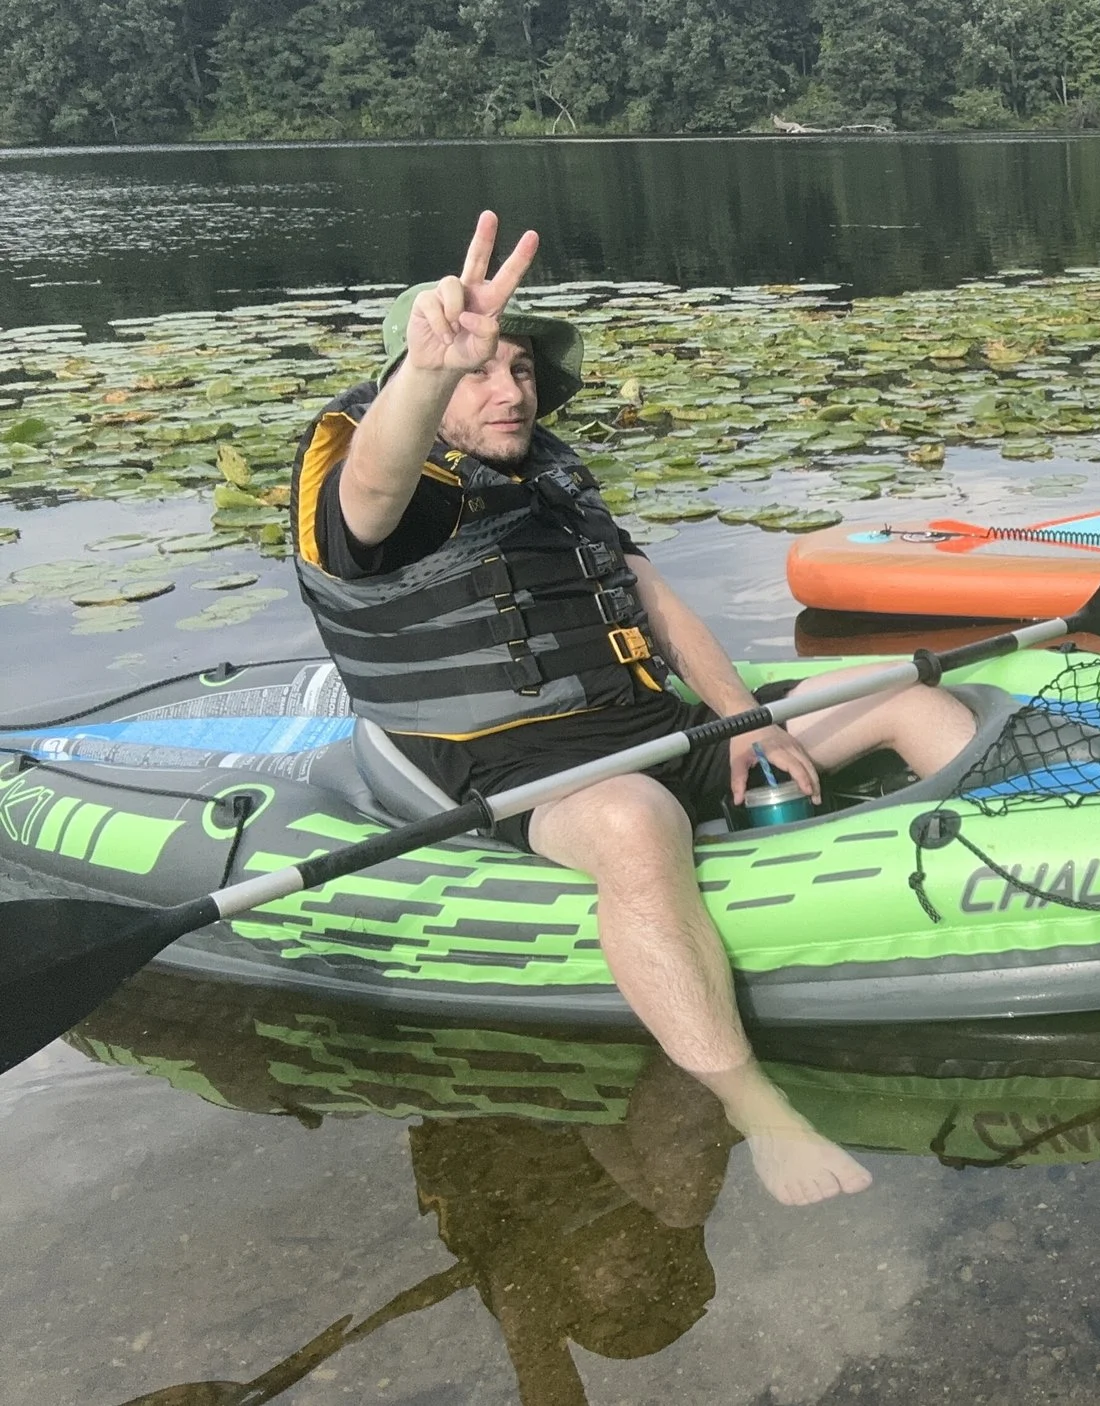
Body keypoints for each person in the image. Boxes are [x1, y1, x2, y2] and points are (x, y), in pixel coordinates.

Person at [288, 211, 977, 1206]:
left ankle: (998, 867)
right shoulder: (382, 496)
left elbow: (653, 597)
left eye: (520, 370)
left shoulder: (551, 474)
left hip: (654, 724)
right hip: (521, 769)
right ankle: (756, 1106)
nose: (510, 389)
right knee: (635, 818)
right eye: (481, 372)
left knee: (906, 693)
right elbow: (376, 482)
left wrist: (748, 721)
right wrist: (429, 370)